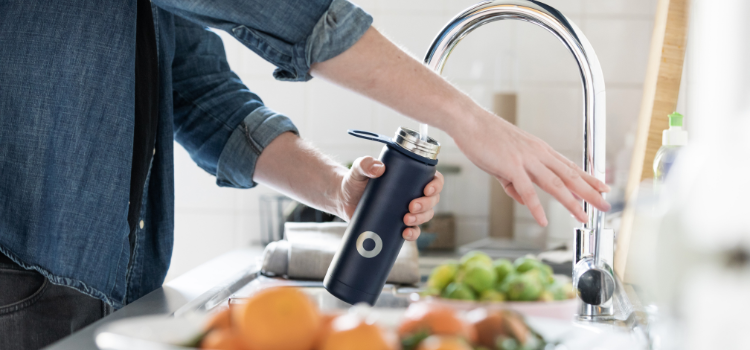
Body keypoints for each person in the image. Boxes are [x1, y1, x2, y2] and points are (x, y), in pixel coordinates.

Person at [0, 0, 609, 349]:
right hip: (17, 269)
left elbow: (198, 92)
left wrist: (338, 189)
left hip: (90, 283)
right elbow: (296, 16)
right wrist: (469, 120)